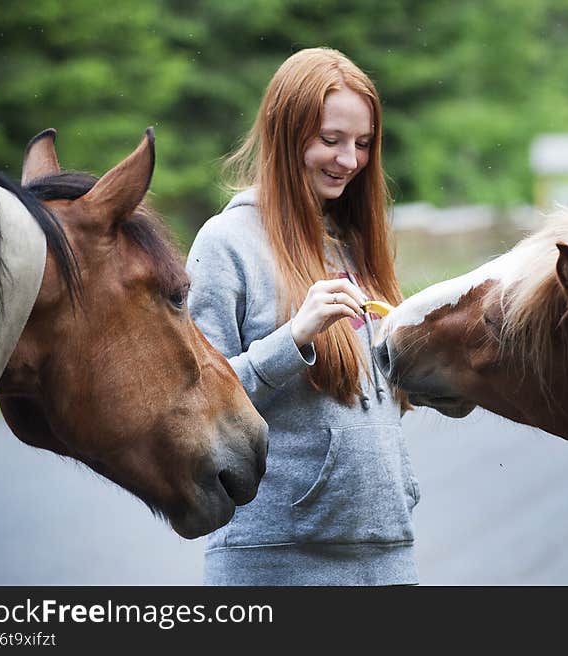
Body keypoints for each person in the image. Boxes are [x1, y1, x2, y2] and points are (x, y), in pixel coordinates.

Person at [186, 47, 419, 585]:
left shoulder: (356, 246)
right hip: (275, 557)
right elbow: (195, 409)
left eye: (362, 144)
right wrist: (292, 339)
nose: (349, 160)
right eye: (331, 140)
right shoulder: (226, 244)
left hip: (388, 551)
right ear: (285, 132)